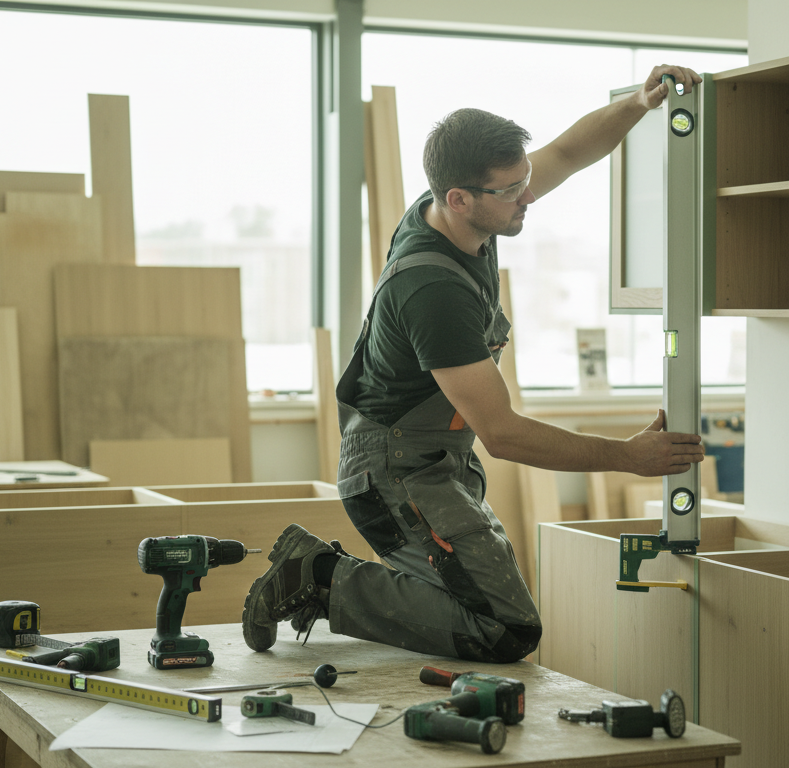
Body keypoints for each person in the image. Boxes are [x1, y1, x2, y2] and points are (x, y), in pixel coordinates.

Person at [243, 65, 706, 663]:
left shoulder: (461, 211)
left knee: (481, 613)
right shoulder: (433, 291)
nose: (527, 199)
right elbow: (505, 434)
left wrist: (639, 105)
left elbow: (567, 150)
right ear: (459, 198)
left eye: (524, 182)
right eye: (511, 192)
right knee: (504, 630)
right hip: (393, 474)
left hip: (438, 460)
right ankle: (318, 577)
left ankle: (323, 577)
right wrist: (625, 457)